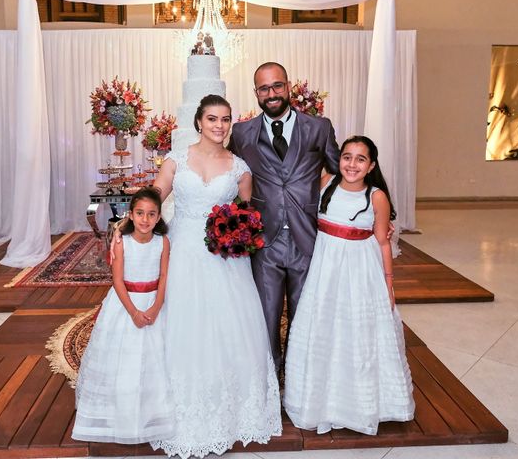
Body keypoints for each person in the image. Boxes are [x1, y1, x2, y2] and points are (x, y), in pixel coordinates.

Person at [149, 94, 282, 458]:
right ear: (199, 122)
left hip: (225, 259)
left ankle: (233, 406)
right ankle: (174, 404)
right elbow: (157, 193)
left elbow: (245, 214)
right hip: (183, 250)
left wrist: (239, 234)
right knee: (183, 322)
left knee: (229, 327)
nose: (219, 126)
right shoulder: (176, 160)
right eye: (212, 119)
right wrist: (137, 214)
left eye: (225, 120)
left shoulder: (240, 168)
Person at [283, 136, 415, 435]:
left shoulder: (376, 196)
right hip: (325, 269)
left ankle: (360, 404)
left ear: (371, 166)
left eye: (360, 159)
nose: (352, 164)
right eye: (347, 157)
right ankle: (318, 401)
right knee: (323, 329)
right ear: (338, 159)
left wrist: (389, 283)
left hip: (361, 270)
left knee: (358, 332)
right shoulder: (325, 183)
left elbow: (382, 242)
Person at [228, 62, 340, 372]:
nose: (272, 94)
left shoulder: (319, 127)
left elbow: (341, 173)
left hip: (308, 237)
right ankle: (269, 381)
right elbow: (230, 175)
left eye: (277, 86)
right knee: (265, 317)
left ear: (288, 87)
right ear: (256, 94)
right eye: (264, 89)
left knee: (304, 317)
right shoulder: (242, 132)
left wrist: (368, 209)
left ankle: (298, 377)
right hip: (265, 241)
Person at [72, 187, 174, 444]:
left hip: (153, 303)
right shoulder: (122, 242)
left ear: (159, 217)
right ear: (130, 214)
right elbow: (117, 281)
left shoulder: (163, 242)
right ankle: (119, 408)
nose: (145, 219)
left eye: (151, 214)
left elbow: (164, 276)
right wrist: (133, 312)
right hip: (126, 304)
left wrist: (156, 306)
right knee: (124, 358)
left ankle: (154, 409)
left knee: (156, 358)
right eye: (139, 213)